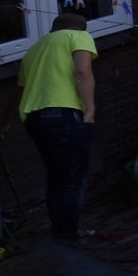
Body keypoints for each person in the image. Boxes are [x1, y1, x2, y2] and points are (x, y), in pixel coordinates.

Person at [16, 13, 98, 244]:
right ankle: (68, 238)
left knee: (58, 178)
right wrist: (90, 109)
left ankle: (61, 234)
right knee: (72, 179)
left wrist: (4, 123)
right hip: (64, 115)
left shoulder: (34, 50)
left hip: (34, 118)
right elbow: (83, 70)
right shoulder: (78, 36)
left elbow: (20, 89)